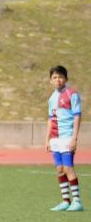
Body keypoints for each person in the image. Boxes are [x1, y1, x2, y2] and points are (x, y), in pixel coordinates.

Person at [46, 65, 82, 212]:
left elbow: (77, 116)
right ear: (50, 80)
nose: (58, 80)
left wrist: (74, 138)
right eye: (54, 77)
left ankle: (77, 201)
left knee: (68, 167)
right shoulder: (52, 98)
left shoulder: (72, 94)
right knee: (60, 169)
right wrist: (47, 138)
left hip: (67, 137)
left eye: (60, 77)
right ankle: (65, 201)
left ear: (66, 79)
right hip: (55, 138)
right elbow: (50, 119)